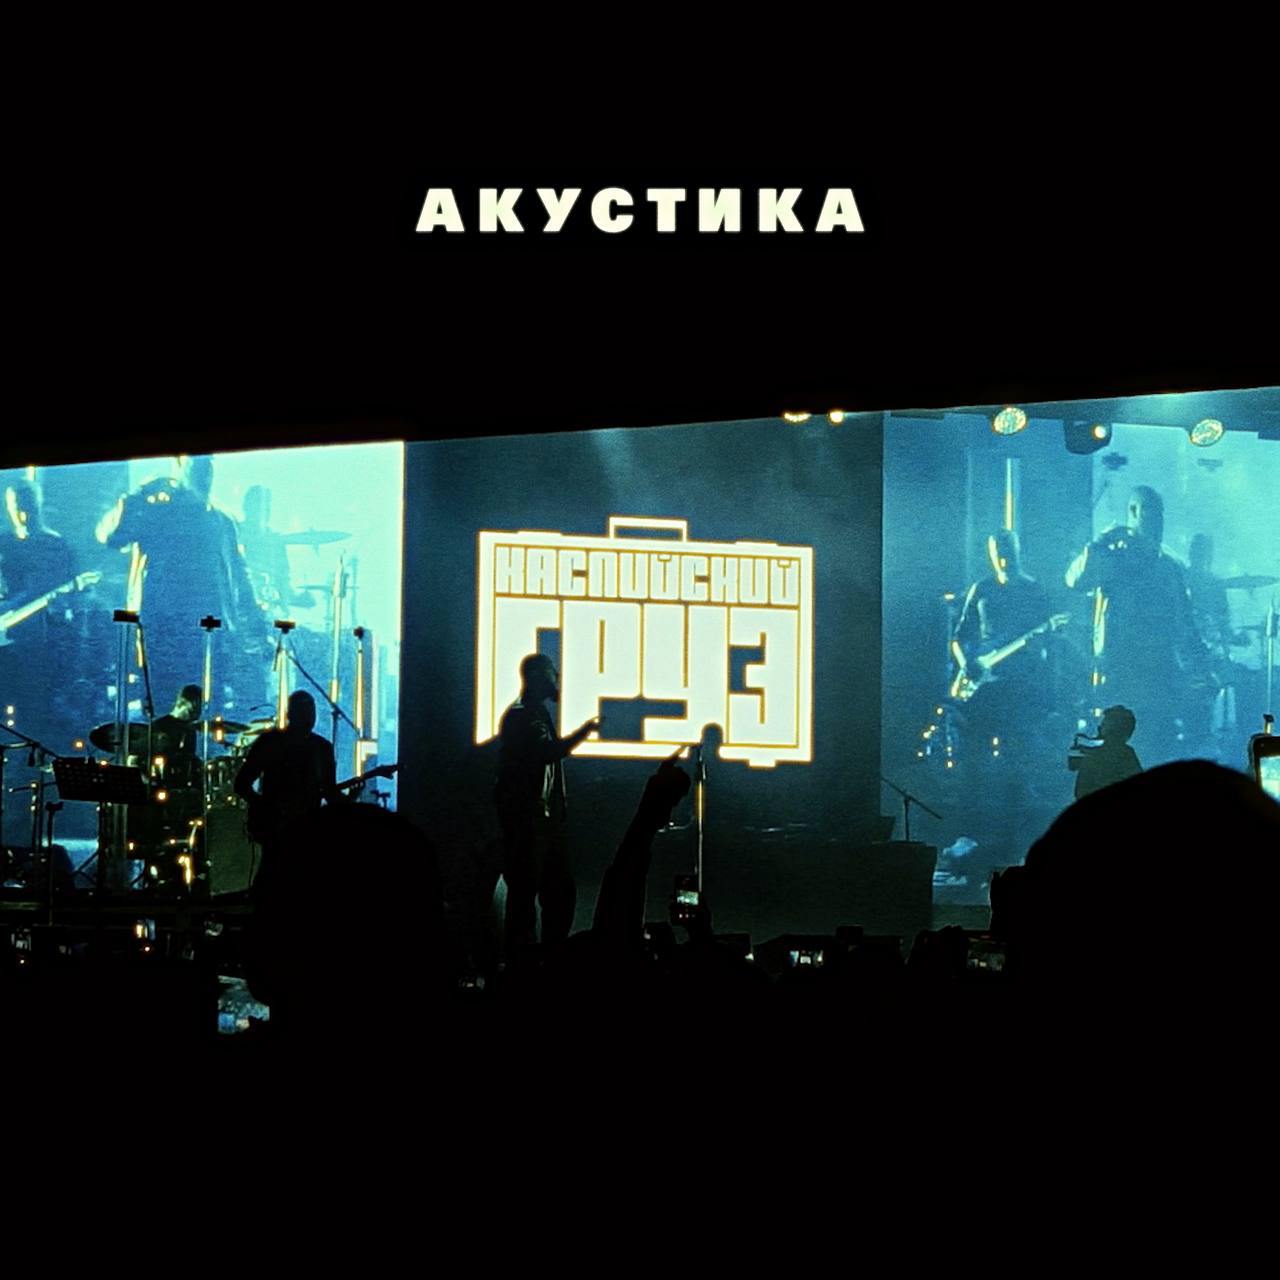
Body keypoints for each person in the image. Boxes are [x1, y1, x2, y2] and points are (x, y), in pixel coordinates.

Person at [95, 455, 268, 708]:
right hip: (164, 628)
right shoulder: (156, 513)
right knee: (163, 702)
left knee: (209, 703)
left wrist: (254, 623)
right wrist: (135, 499)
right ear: (179, 467)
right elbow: (110, 537)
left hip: (211, 631)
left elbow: (239, 577)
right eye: (195, 462)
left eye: (206, 462)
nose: (203, 469)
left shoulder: (222, 521)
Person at [1065, 486, 1210, 761]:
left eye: (1160, 514)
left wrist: (1200, 663)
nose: (1157, 522)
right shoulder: (1112, 559)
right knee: (1118, 750)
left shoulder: (1169, 568)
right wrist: (1098, 544)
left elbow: (1185, 621)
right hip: (1120, 671)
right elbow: (1075, 580)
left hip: (1160, 673)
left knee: (1158, 747)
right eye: (1150, 513)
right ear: (1132, 513)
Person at [493, 653, 601, 958]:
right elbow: (546, 753)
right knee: (531, 895)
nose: (558, 679)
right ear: (539, 677)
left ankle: (535, 958)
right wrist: (583, 733)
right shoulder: (523, 716)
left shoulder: (530, 713)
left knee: (548, 893)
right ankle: (529, 960)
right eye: (553, 673)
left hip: (539, 820)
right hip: (531, 822)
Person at [234, 690, 338, 892]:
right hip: (280, 825)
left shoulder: (320, 748)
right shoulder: (272, 742)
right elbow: (242, 784)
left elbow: (329, 791)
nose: (309, 717)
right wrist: (266, 807)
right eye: (303, 711)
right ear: (291, 714)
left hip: (303, 824)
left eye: (311, 711)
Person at [238, 485, 311, 610]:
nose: (263, 511)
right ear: (246, 507)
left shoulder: (276, 541)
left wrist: (293, 600)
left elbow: (283, 578)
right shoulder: (234, 534)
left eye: (267, 507)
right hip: (238, 603)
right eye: (258, 506)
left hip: (267, 606)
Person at [1071, 705, 1143, 801]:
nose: (1100, 727)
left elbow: (1079, 786)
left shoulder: (1092, 749)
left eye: (1104, 724)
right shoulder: (1126, 753)